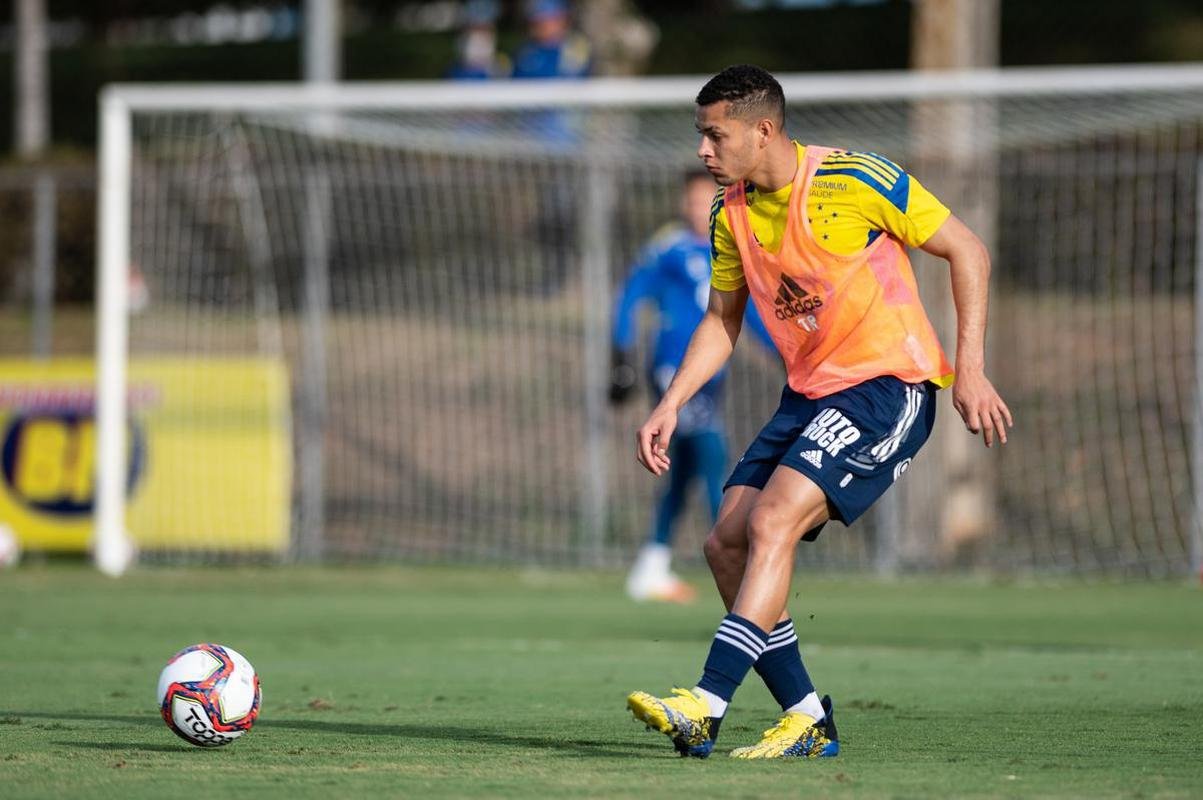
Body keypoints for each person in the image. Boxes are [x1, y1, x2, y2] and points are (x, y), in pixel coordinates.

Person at [625, 65, 1012, 760]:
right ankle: (806, 717)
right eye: (700, 136)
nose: (702, 150)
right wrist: (670, 401)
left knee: (772, 520)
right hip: (806, 396)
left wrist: (972, 369)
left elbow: (966, 249)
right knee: (725, 544)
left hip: (885, 386)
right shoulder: (728, 213)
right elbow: (721, 320)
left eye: (715, 135)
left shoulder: (853, 178)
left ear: (762, 130)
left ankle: (704, 704)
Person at [611, 170, 775, 604]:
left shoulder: (729, 246)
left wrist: (784, 353)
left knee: (680, 471)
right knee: (712, 451)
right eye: (691, 200)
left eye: (706, 200)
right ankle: (731, 554)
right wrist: (621, 356)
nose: (697, 208)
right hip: (673, 369)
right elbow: (630, 296)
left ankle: (651, 566)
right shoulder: (668, 248)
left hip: (712, 375)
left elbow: (744, 314)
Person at [446, 0, 510, 81]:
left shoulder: (497, 71)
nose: (479, 36)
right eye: (476, 27)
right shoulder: (455, 73)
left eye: (485, 28)